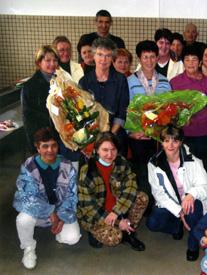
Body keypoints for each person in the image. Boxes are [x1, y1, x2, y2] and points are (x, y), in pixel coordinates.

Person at [13, 128, 81, 269]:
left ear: (58, 146)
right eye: (45, 146)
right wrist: (51, 213)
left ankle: (58, 232)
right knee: (23, 220)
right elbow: (28, 196)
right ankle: (29, 248)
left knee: (73, 238)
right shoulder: (29, 166)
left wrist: (61, 218)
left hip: (60, 213)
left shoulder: (67, 166)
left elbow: (71, 195)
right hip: (38, 212)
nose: (50, 150)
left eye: (54, 145)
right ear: (37, 148)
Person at [146, 126, 207, 261]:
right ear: (161, 142)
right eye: (166, 140)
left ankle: (193, 245)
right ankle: (176, 227)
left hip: (190, 201)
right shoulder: (154, 163)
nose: (170, 145)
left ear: (181, 142)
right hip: (172, 204)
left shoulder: (193, 160)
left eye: (175, 141)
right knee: (152, 223)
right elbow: (158, 194)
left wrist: (191, 194)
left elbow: (206, 188)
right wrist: (179, 211)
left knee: (193, 210)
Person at [77, 132, 148, 250]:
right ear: (97, 150)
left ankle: (128, 230)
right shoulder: (87, 171)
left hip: (117, 209)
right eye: (105, 150)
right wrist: (117, 222)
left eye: (113, 149)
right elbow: (88, 207)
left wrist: (117, 213)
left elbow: (131, 187)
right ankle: (93, 231)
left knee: (142, 197)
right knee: (114, 238)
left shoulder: (121, 162)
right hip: (97, 215)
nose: (110, 154)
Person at [127, 40, 172, 201]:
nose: (149, 61)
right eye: (145, 57)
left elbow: (168, 109)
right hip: (138, 136)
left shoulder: (165, 81)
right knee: (141, 171)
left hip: (158, 137)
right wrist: (131, 132)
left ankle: (156, 203)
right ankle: (142, 204)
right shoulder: (130, 81)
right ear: (139, 59)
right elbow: (127, 108)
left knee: (158, 170)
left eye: (152, 57)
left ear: (157, 57)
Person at [79, 37, 129, 156]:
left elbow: (122, 111)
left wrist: (110, 136)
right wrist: (93, 138)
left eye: (108, 55)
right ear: (93, 56)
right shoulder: (84, 82)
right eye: (100, 54)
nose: (103, 59)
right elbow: (81, 113)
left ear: (112, 58)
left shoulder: (121, 80)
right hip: (91, 139)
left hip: (116, 138)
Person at [170, 45, 207, 159]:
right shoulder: (174, 82)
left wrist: (192, 120)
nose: (190, 63)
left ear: (200, 62)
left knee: (202, 168)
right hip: (180, 134)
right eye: (187, 60)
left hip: (203, 134)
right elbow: (170, 106)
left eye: (194, 59)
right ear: (183, 62)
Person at [21, 45, 58, 152]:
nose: (52, 64)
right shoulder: (30, 86)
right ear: (38, 63)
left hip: (60, 138)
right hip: (42, 141)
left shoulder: (61, 81)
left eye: (55, 60)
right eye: (48, 60)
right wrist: (35, 146)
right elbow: (28, 119)